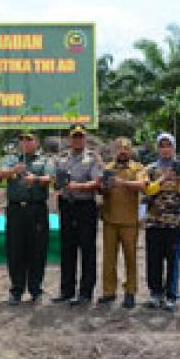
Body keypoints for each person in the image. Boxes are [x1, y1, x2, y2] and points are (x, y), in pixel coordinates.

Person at [0, 131, 54, 304]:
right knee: (15, 250)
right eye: (21, 139)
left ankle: (36, 289)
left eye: (29, 139)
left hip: (36, 209)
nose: (25, 142)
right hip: (16, 210)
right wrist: (13, 170)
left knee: (37, 250)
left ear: (36, 142)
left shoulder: (44, 160)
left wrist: (35, 179)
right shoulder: (10, 159)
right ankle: (16, 290)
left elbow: (50, 177)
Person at [53, 125, 102, 306]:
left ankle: (86, 292)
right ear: (69, 138)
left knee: (87, 250)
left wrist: (78, 186)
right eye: (75, 136)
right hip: (67, 206)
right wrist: (57, 184)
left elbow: (97, 182)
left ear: (85, 138)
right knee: (67, 249)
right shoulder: (62, 158)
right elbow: (56, 181)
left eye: (81, 136)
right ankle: (66, 290)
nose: (77, 140)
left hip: (85, 207)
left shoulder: (92, 158)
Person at [144, 133, 180, 310]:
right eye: (162, 145)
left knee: (173, 260)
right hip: (154, 222)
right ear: (158, 148)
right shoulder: (150, 169)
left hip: (174, 223)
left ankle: (171, 295)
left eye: (168, 145)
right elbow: (148, 191)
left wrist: (179, 182)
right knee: (153, 259)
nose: (165, 149)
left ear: (173, 148)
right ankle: (155, 293)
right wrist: (163, 178)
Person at [99, 137, 147, 308]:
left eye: (126, 149)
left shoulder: (137, 168)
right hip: (110, 220)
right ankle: (108, 292)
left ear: (130, 151)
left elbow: (142, 185)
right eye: (119, 148)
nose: (122, 151)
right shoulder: (107, 168)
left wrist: (122, 183)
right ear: (114, 151)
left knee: (130, 257)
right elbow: (101, 190)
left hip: (129, 221)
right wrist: (104, 186)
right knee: (109, 258)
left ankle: (130, 292)